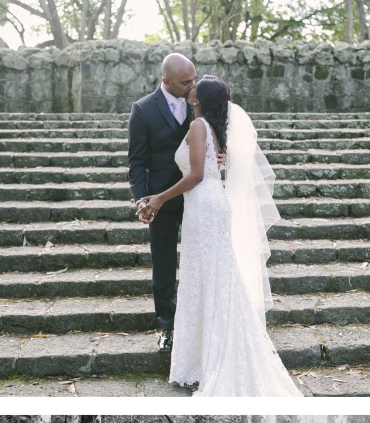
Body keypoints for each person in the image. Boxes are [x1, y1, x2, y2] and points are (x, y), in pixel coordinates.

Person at [140, 75, 303, 396]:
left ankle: (216, 354)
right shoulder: (209, 128)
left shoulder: (199, 127)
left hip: (204, 204)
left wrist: (158, 197)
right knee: (211, 274)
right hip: (206, 204)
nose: (192, 86)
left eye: (196, 85)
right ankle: (206, 352)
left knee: (209, 274)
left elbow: (197, 174)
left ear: (199, 99)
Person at [127, 53, 197, 353]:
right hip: (160, 200)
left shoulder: (200, 103)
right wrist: (142, 199)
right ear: (166, 81)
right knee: (164, 265)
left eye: (194, 78)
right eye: (186, 82)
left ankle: (200, 323)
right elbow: (137, 162)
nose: (192, 86)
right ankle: (168, 327)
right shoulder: (142, 110)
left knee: (202, 262)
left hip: (198, 196)